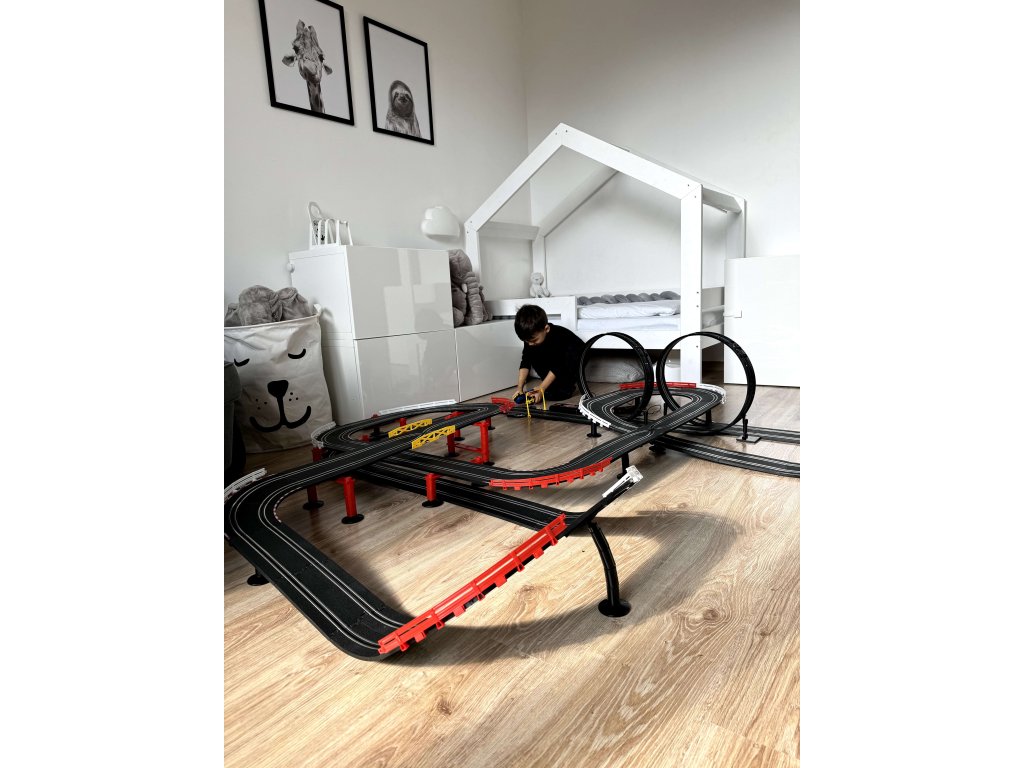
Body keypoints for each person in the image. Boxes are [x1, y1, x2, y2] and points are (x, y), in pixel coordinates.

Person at [513, 304, 585, 402]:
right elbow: (525, 362)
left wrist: (542, 388)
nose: (530, 344)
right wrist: (519, 388)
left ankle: (566, 388)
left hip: (578, 354)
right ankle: (549, 386)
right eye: (527, 341)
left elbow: (557, 365)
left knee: (561, 384)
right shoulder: (530, 338)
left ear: (546, 329)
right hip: (555, 358)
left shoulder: (557, 337)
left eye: (534, 340)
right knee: (532, 353)